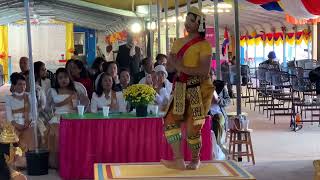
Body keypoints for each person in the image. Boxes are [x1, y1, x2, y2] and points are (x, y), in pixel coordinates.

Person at [161, 7, 214, 170]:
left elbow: (204, 71)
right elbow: (170, 68)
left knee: (193, 128)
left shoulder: (205, 45)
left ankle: (195, 159)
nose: (187, 23)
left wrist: (179, 66)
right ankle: (178, 160)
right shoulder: (177, 42)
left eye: (191, 20)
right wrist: (170, 63)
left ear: (200, 24)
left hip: (199, 89)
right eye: (186, 20)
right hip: (180, 87)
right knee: (170, 121)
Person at [45, 68, 89, 168]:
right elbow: (47, 108)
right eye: (60, 78)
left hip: (73, 117)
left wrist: (85, 102)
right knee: (56, 133)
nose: (63, 80)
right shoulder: (52, 91)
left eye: (65, 77)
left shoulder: (76, 91)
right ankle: (57, 163)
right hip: (58, 118)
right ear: (57, 80)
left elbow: (82, 106)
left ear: (69, 78)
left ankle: (75, 160)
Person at [5, 73, 35, 167]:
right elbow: (9, 115)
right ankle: (17, 161)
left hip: (28, 122)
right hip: (14, 123)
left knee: (32, 131)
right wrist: (17, 125)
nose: (22, 86)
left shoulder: (29, 96)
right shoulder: (9, 98)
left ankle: (28, 161)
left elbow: (32, 112)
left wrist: (27, 122)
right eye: (19, 84)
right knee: (10, 135)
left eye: (24, 84)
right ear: (13, 85)